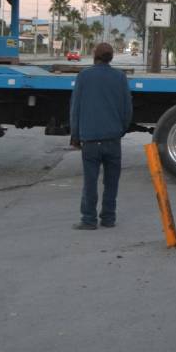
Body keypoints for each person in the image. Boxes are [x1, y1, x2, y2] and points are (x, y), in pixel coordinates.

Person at [69, 42, 133, 230]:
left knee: (90, 181)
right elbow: (127, 109)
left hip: (90, 139)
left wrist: (75, 136)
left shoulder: (84, 76)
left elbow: (75, 108)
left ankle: (88, 219)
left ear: (95, 56)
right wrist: (120, 130)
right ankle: (108, 218)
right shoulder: (120, 77)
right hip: (112, 138)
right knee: (111, 182)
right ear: (111, 58)